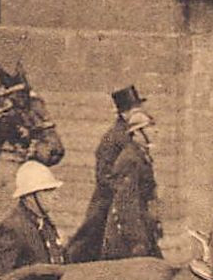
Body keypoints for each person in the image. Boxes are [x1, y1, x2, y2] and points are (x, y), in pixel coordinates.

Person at [68, 85, 147, 262]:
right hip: (107, 199)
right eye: (134, 109)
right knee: (91, 241)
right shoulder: (112, 138)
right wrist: (122, 187)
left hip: (128, 197)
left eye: (138, 107)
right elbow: (103, 174)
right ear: (123, 113)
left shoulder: (133, 133)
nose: (138, 111)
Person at [101, 109, 163, 260]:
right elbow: (126, 203)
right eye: (149, 128)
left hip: (142, 226)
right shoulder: (130, 159)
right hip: (127, 236)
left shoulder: (141, 155)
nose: (155, 132)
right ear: (137, 133)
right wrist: (137, 241)